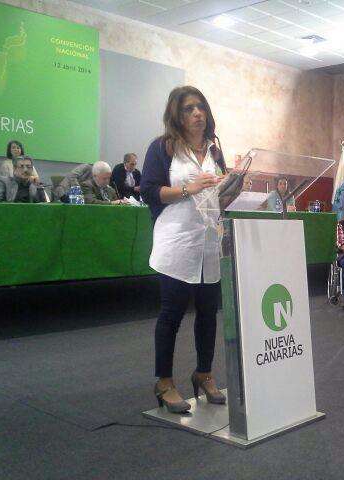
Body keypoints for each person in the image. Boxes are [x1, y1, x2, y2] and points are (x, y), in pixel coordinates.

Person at [140, 85, 228, 414]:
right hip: (177, 242)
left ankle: (204, 374)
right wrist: (187, 189)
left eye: (201, 106)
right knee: (172, 315)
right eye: (189, 108)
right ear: (176, 115)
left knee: (208, 314)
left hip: (209, 244)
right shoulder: (162, 147)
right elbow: (149, 191)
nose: (197, 113)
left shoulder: (215, 151)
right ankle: (164, 382)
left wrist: (232, 187)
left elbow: (218, 198)